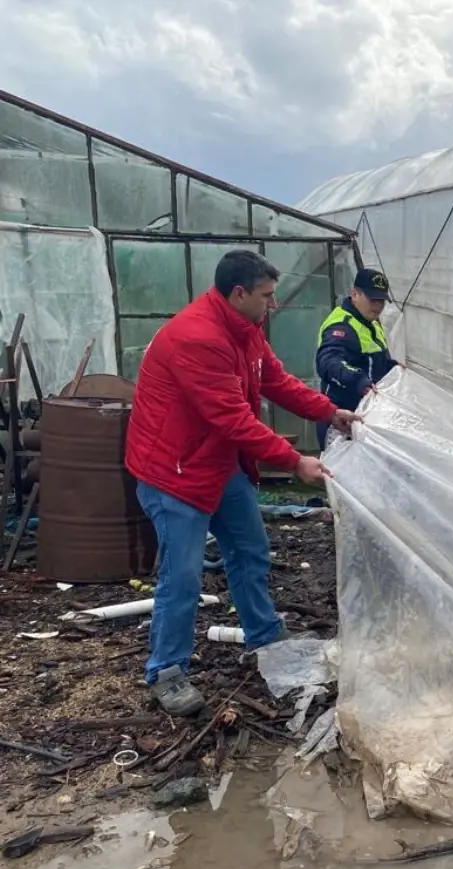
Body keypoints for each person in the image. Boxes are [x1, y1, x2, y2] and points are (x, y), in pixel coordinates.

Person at [125, 249, 361, 717]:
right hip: (176, 470)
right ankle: (166, 671)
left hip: (217, 462)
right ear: (239, 293)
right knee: (183, 575)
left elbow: (275, 380)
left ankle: (264, 638)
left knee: (250, 550)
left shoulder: (244, 330)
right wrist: (295, 461)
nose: (273, 304)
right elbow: (231, 418)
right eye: (267, 296)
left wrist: (327, 411)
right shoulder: (197, 337)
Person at [314, 267, 399, 449]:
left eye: (382, 301)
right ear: (354, 294)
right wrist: (359, 381)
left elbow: (373, 361)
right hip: (341, 421)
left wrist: (394, 368)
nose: (378, 306)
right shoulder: (341, 326)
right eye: (372, 299)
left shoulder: (372, 324)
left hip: (365, 418)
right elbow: (329, 362)